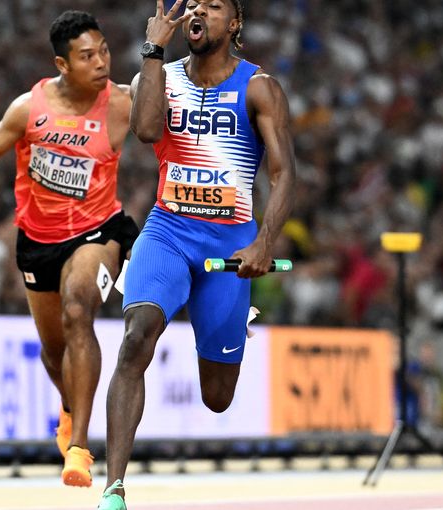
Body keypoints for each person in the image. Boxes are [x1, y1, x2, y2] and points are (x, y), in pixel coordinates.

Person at [97, 0, 295, 507]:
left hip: (230, 241)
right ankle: (114, 489)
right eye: (194, 4)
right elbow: (145, 132)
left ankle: (231, 316)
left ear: (235, 23)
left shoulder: (259, 88)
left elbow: (283, 173)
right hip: (168, 230)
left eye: (214, 5)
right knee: (136, 337)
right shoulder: (159, 74)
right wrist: (152, 51)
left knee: (217, 398)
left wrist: (262, 243)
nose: (199, 12)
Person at [0, 10, 138, 488]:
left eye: (104, 51)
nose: (101, 62)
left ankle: (79, 446)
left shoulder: (120, 105)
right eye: (86, 56)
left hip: (100, 231)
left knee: (80, 309)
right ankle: (71, 407)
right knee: (53, 354)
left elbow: (164, 120)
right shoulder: (27, 108)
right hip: (37, 241)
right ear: (62, 63)